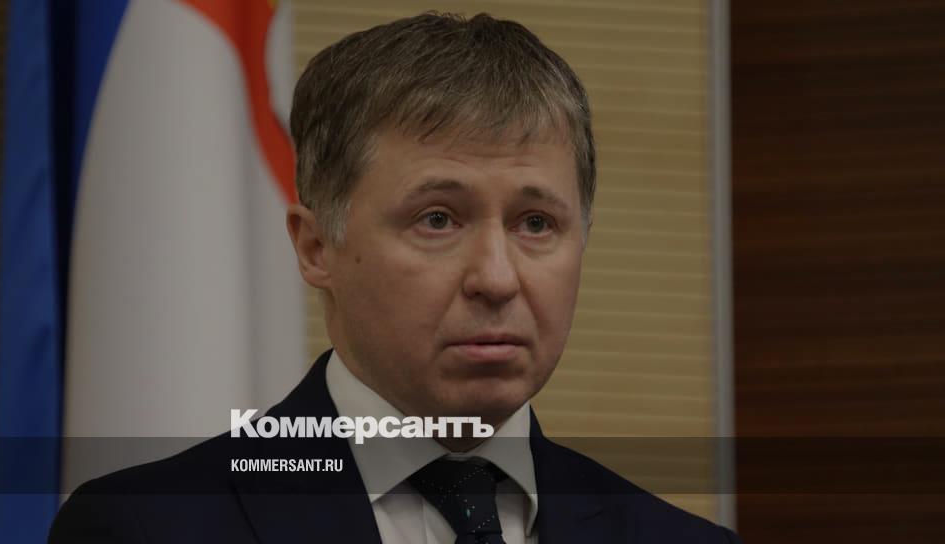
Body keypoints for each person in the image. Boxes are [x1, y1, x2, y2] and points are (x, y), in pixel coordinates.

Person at [50, 12, 741, 543]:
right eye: (438, 219)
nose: (497, 278)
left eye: (536, 223)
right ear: (316, 248)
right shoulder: (146, 527)